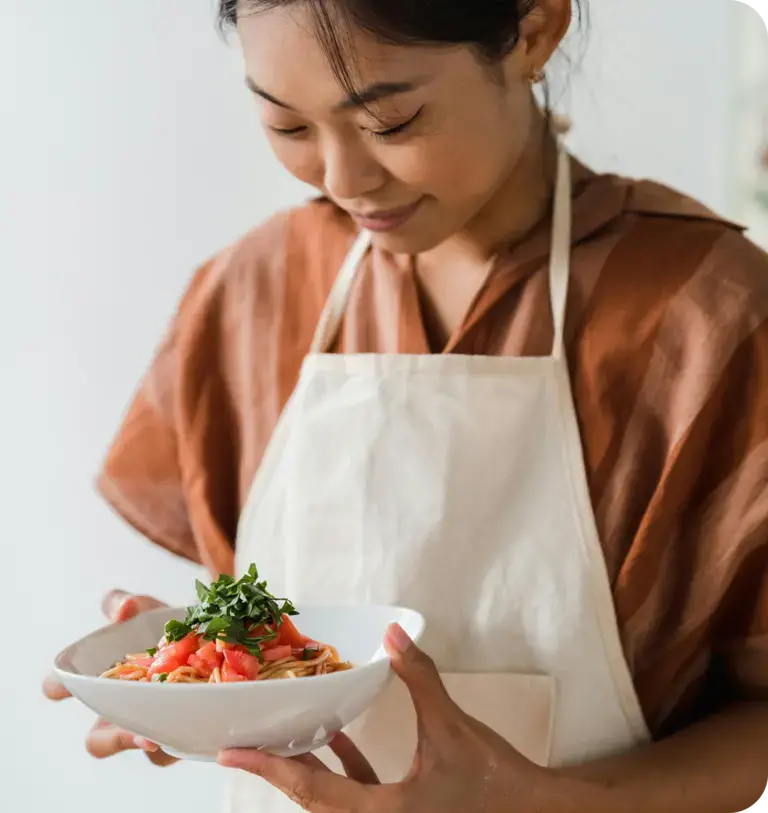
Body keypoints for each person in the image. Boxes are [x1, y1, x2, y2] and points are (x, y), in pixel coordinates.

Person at [44, 0, 768, 810]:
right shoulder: (254, 294)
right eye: (287, 127)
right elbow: (283, 667)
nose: (343, 179)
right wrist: (199, 675)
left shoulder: (712, 314)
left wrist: (551, 802)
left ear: (534, 30)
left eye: (391, 122)